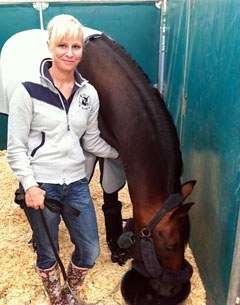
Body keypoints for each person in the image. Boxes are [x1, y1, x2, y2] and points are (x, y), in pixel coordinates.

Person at [7, 14, 119, 305]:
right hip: (42, 186)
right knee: (47, 249)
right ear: (49, 46)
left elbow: (90, 140)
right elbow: (16, 148)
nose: (70, 53)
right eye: (62, 46)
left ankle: (70, 289)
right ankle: (56, 295)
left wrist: (123, 155)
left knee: (91, 250)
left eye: (76, 46)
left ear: (82, 49)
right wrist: (29, 186)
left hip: (77, 184)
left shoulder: (88, 93)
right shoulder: (27, 91)